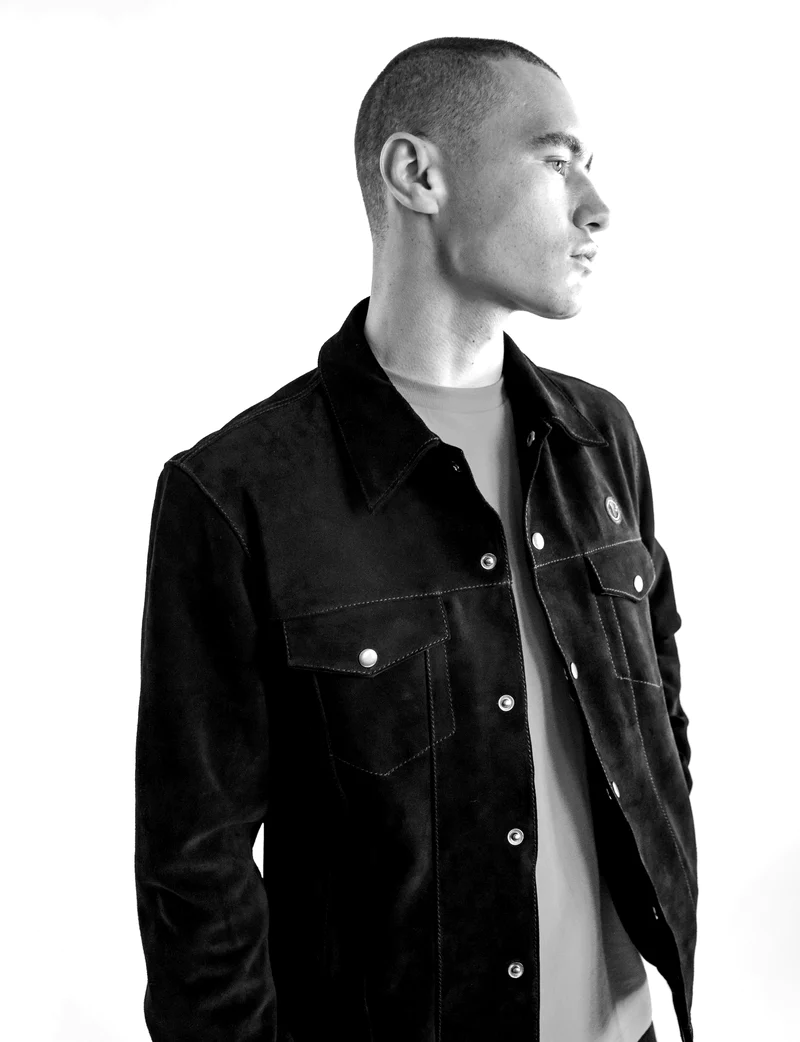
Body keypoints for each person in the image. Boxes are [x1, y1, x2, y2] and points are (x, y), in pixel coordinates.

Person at [135, 36, 697, 1042]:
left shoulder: (597, 439)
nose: (596, 208)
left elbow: (658, 717)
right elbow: (195, 879)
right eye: (556, 160)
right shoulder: (237, 494)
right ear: (417, 174)